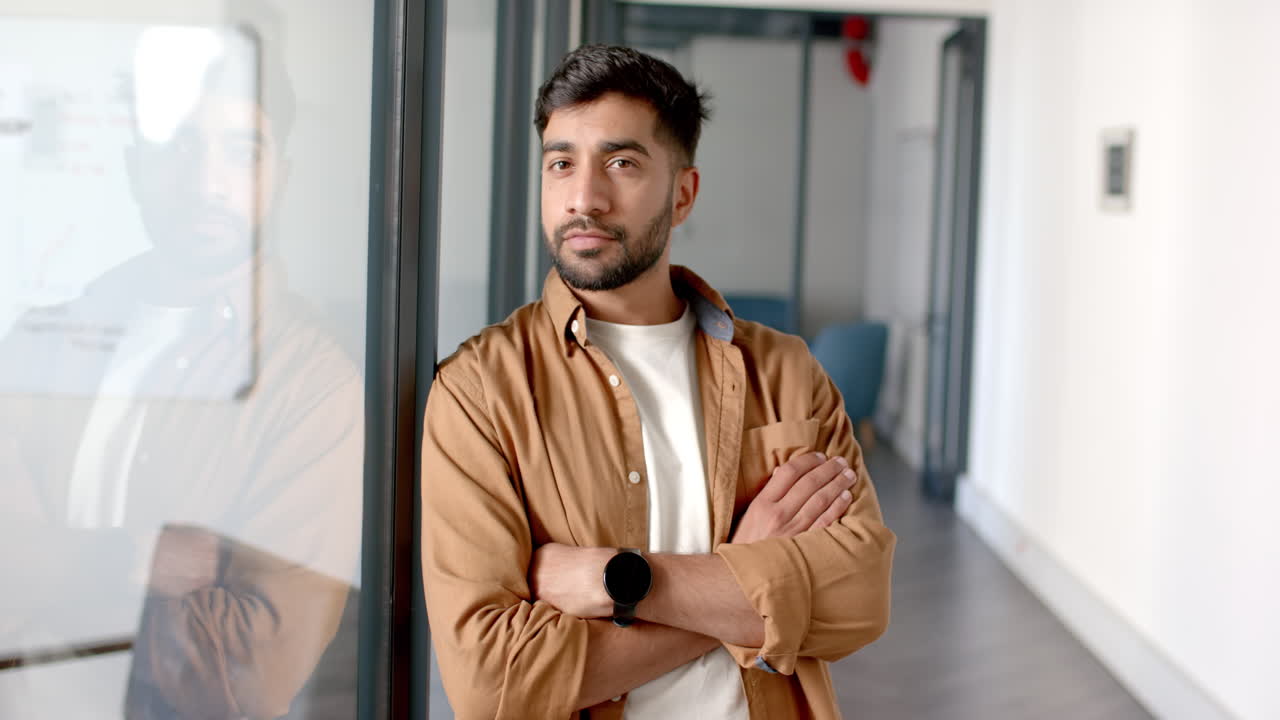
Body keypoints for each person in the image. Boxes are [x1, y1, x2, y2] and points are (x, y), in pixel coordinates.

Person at [421, 44, 896, 720]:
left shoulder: (786, 372)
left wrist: (621, 583)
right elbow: (495, 682)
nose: (584, 196)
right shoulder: (479, 392)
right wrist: (750, 580)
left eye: (621, 162)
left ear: (682, 194)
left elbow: (859, 596)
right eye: (561, 163)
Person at [0, 32, 361, 719]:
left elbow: (246, 677)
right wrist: (132, 567)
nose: (205, 182)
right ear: (136, 166)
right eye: (178, 146)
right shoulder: (40, 341)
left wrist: (49, 576)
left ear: (277, 174)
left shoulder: (312, 386)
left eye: (239, 151)